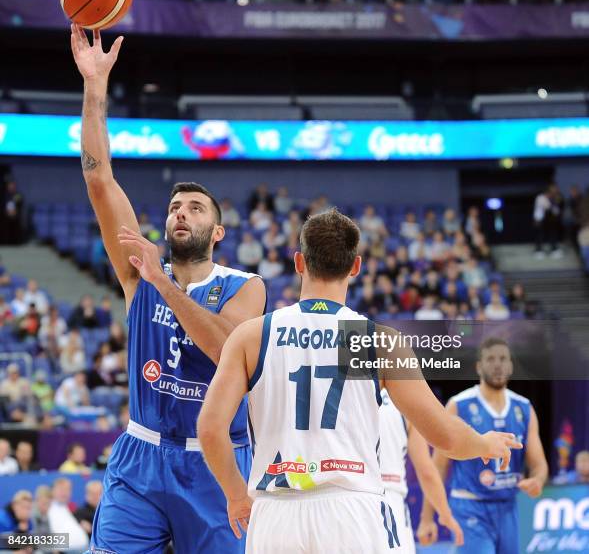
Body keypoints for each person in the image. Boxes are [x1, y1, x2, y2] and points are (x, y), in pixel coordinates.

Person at [197, 209, 521, 553]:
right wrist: (483, 444)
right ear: (355, 267)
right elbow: (444, 435)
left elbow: (210, 428)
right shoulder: (372, 340)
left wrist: (235, 494)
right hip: (349, 511)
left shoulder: (253, 335)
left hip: (275, 510)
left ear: (298, 262)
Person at [70, 24, 266, 553]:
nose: (182, 213)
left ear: (217, 233)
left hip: (216, 462)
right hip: (141, 458)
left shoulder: (245, 287)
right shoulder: (138, 269)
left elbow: (228, 348)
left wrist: (163, 283)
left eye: (195, 208)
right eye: (176, 207)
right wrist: (94, 87)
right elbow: (98, 178)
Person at [420, 337, 549, 554]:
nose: (497, 364)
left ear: (510, 366)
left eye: (502, 359)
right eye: (490, 359)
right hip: (470, 506)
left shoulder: (524, 408)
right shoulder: (459, 405)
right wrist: (427, 518)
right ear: (479, 367)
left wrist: (537, 480)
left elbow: (539, 465)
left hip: (508, 507)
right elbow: (438, 466)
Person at [379, 389, 464, 552]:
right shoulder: (405, 404)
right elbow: (426, 471)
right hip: (392, 503)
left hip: (348, 498)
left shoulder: (351, 395)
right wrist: (444, 515)